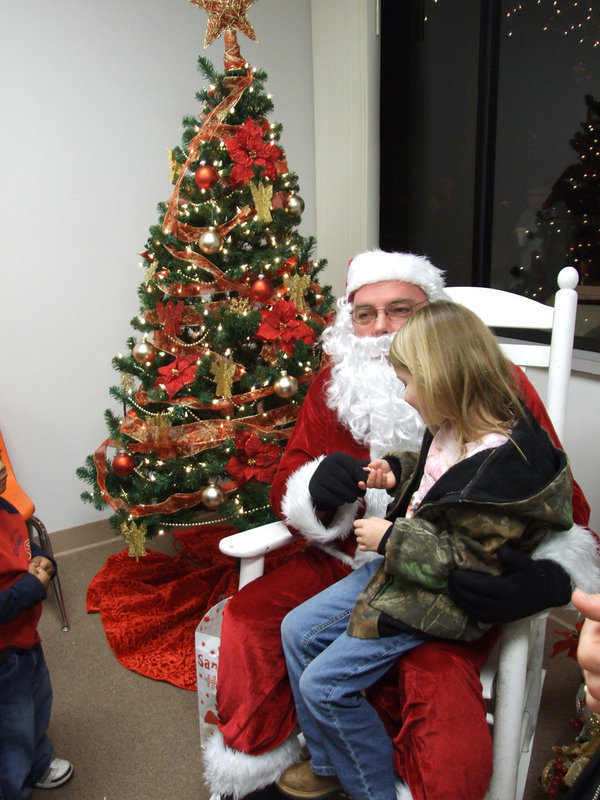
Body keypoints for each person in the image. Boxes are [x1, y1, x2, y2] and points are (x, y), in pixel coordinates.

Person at [203, 249, 598, 800]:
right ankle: (307, 760)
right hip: (346, 558)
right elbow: (299, 478)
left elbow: (561, 506)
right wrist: (315, 489)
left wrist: (547, 579)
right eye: (365, 314)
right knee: (259, 621)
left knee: (435, 682)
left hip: (447, 579)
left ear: (430, 316)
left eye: (399, 310)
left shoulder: (495, 391)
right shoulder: (335, 384)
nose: (381, 327)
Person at [277, 300, 575, 800]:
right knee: (295, 629)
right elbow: (439, 478)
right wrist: (397, 471)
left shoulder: (507, 472)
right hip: (404, 572)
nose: (406, 394)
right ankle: (329, 762)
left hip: (439, 598)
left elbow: (473, 561)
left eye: (409, 382)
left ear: (442, 380)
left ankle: (371, 789)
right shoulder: (455, 427)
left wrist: (392, 539)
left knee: (324, 686)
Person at [0, 455, 73, 798]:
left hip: (26, 638)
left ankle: (38, 764)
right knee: (11, 728)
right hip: (3, 655)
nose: (3, 468)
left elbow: (24, 543)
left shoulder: (6, 508)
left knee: (38, 701)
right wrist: (30, 589)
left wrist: (43, 558)